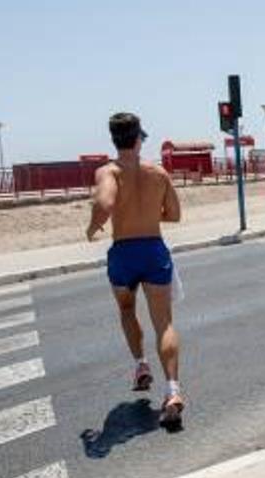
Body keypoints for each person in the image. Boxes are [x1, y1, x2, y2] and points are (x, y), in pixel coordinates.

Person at [87, 112, 185, 427]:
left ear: (114, 140)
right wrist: (149, 216)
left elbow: (104, 204)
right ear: (139, 138)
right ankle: (172, 391)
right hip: (153, 249)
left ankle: (141, 365)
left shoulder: (109, 172)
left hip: (124, 253)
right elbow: (175, 214)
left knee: (127, 310)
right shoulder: (158, 173)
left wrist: (92, 227)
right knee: (164, 323)